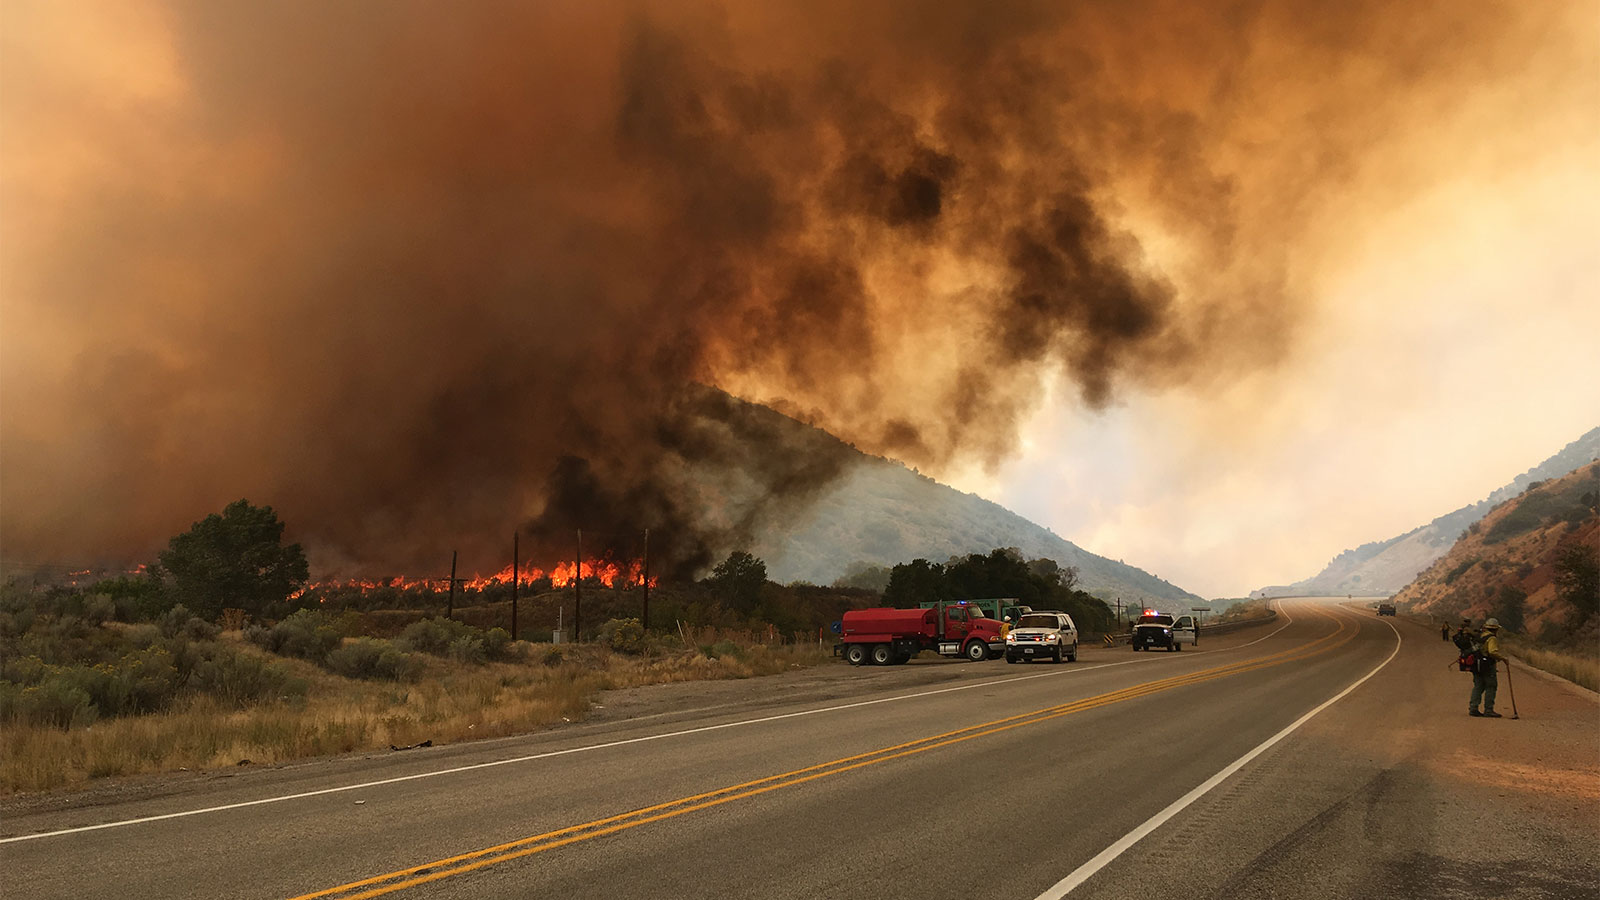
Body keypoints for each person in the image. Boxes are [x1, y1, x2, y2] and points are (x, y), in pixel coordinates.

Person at [1469, 618, 1505, 718]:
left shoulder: (1480, 636)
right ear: (1496, 629)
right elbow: (1492, 652)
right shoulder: (1492, 638)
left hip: (1476, 665)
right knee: (1491, 686)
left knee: (1478, 686)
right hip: (1487, 666)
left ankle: (1473, 708)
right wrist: (1503, 659)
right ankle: (1488, 710)